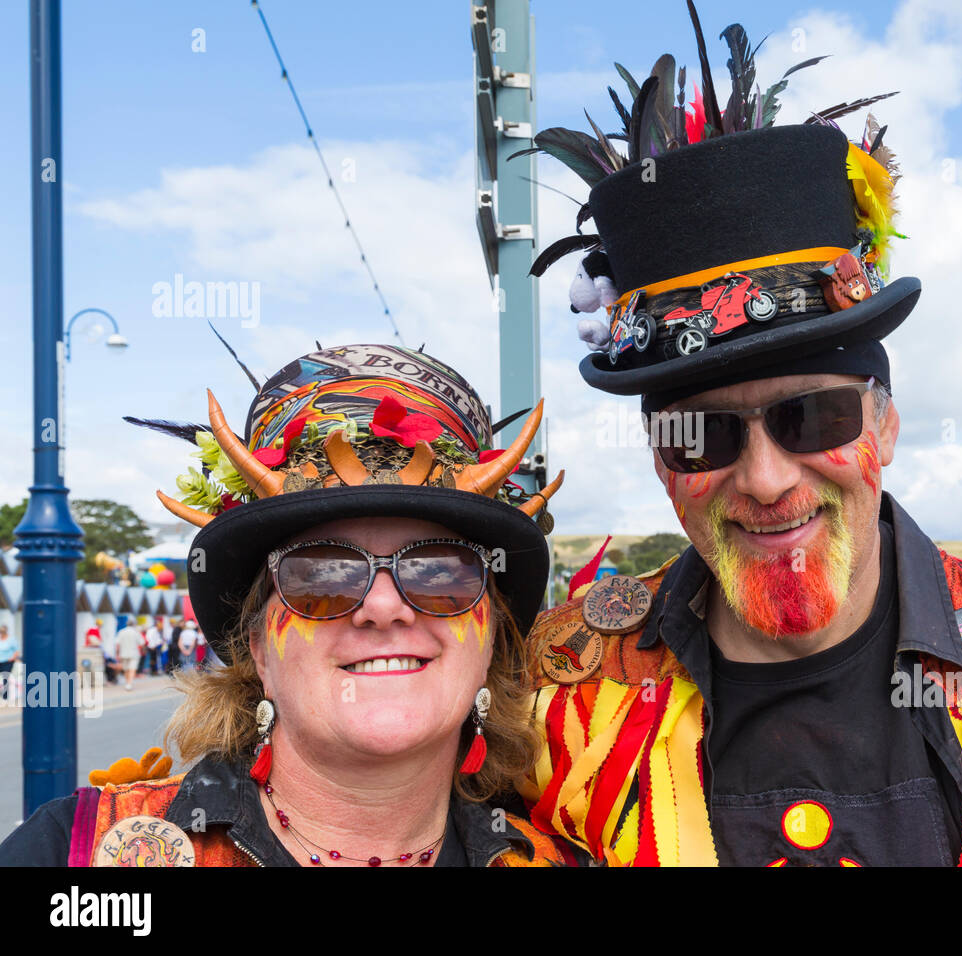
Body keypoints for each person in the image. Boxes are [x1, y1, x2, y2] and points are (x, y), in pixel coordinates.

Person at [516, 10, 962, 866]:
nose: (762, 478)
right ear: (659, 460)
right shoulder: (562, 689)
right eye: (702, 437)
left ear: (885, 424)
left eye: (811, 417)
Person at [0, 343, 571, 867]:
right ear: (257, 649)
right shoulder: (72, 852)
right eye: (320, 575)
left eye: (438, 572)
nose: (383, 606)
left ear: (492, 635)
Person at [115, 619, 144, 691]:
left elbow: (117, 644)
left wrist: (117, 654)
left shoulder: (121, 632)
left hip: (123, 653)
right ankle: (129, 684)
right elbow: (142, 643)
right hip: (134, 653)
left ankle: (127, 682)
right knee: (132, 669)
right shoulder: (136, 632)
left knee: (126, 669)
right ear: (133, 624)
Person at [0, 625, 18, 702]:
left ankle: (5, 697)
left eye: (2, 632)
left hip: (8, 662)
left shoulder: (11, 640)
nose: (1, 633)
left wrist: (12, 658)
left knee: (5, 678)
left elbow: (16, 651)